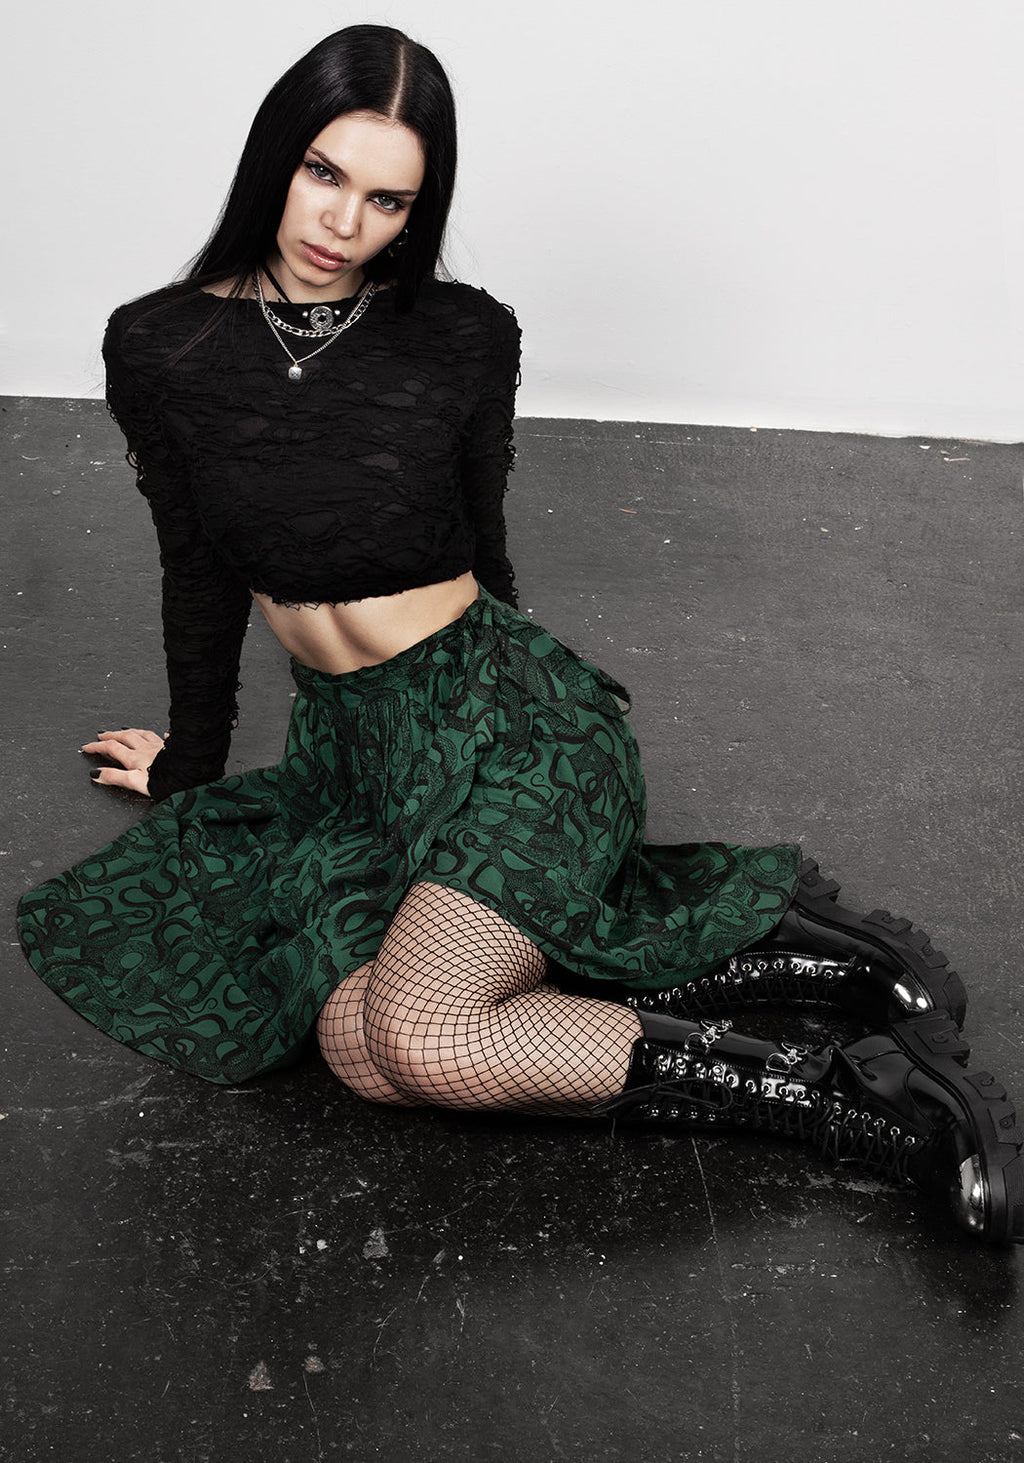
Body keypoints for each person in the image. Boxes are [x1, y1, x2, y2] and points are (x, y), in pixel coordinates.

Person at [17, 24, 1023, 1245]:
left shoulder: (461, 333)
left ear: (417, 210)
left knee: (424, 1033)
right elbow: (197, 569)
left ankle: (857, 1100)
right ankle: (793, 958)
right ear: (275, 156)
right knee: (362, 1047)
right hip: (352, 765)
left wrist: (531, 743)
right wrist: (191, 760)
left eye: (388, 200)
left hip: (502, 723)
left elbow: (484, 556)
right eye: (323, 173)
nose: (342, 221)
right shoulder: (158, 343)